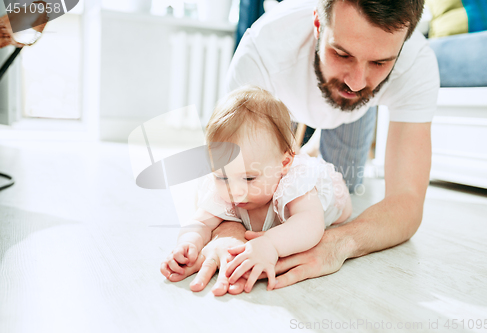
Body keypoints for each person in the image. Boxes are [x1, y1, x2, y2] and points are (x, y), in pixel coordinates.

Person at [161, 0, 439, 296]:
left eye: (380, 62)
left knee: (347, 182)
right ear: (318, 26)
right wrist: (228, 233)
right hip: (280, 103)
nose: (357, 81)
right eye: (341, 53)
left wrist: (338, 243)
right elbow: (233, 161)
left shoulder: (416, 63)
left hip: (353, 114)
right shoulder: (262, 49)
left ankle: (310, 156)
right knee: (258, 175)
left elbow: (407, 201)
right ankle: (304, 152)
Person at [161, 86, 352, 293]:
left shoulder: (294, 182)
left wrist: (271, 244)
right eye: (222, 177)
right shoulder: (227, 185)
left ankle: (313, 151)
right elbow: (200, 221)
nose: (235, 191)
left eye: (249, 178)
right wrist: (189, 243)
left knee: (342, 211)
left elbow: (311, 224)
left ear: (284, 164)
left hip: (335, 195)